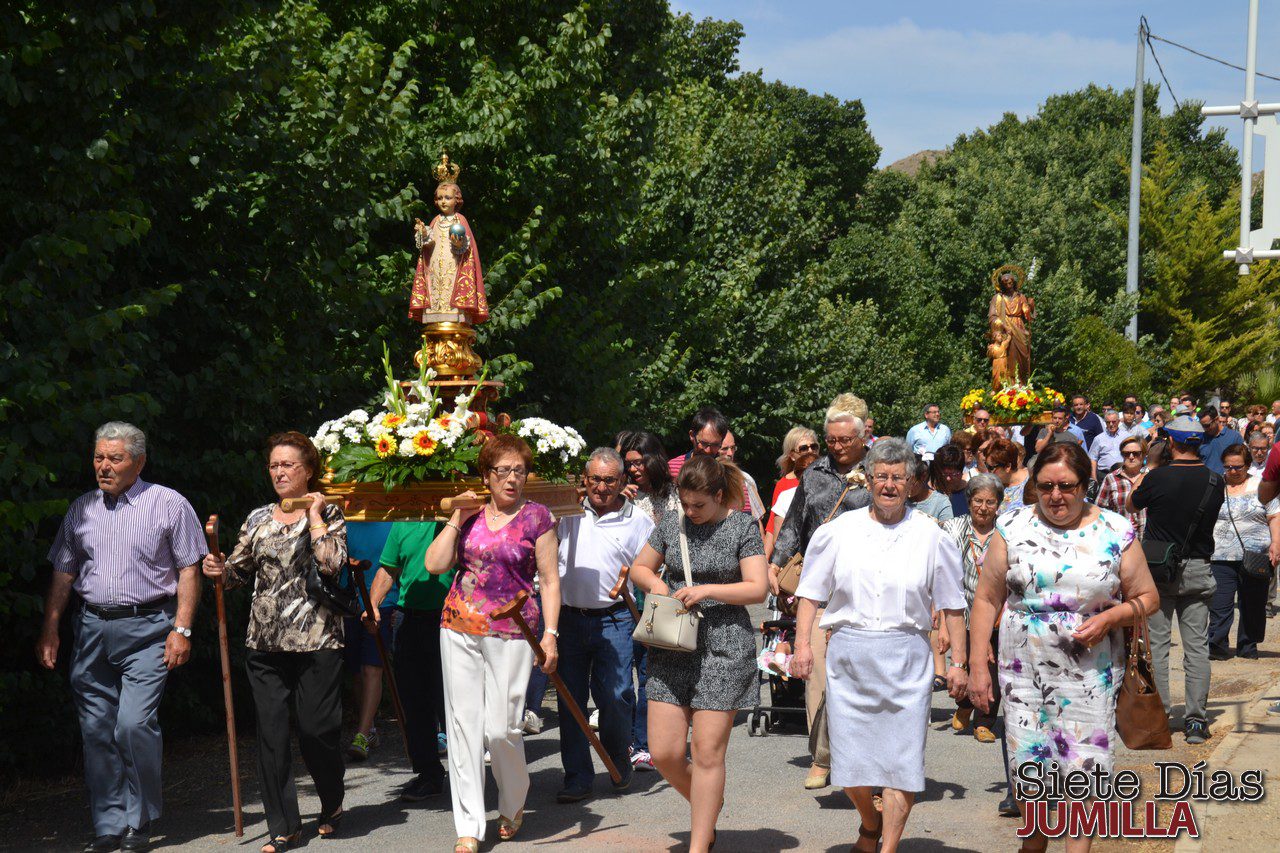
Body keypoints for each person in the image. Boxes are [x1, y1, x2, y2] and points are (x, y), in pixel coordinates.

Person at [968, 442, 1159, 853]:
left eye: (1067, 486)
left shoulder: (1115, 529)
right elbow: (986, 599)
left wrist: (1109, 618)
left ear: (1085, 485)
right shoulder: (1012, 526)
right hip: (1022, 672)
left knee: (1083, 774)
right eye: (1045, 486)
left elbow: (1147, 597)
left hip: (1089, 675)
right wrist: (976, 664)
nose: (1056, 496)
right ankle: (1033, 846)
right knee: (1028, 773)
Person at [792, 438, 968, 853]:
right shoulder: (836, 532)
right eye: (881, 477)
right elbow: (810, 594)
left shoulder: (932, 536)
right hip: (849, 657)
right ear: (867, 480)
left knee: (901, 765)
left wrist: (958, 662)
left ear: (911, 483)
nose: (889, 485)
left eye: (898, 478)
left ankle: (887, 846)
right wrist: (802, 646)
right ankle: (869, 823)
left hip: (907, 657)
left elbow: (953, 605)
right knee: (849, 766)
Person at [41, 423, 204, 853]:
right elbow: (63, 569)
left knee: (133, 725)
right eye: (98, 457)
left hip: (150, 628)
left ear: (139, 461)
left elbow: (190, 568)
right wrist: (51, 627)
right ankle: (108, 824)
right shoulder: (81, 509)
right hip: (91, 628)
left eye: (114, 458)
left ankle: (140, 818)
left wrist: (181, 629)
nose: (103, 466)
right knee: (95, 728)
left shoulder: (168, 504)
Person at [202, 431, 349, 853]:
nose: (279, 472)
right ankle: (283, 826)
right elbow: (236, 574)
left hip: (318, 639)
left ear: (309, 471)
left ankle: (332, 801)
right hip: (264, 644)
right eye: (274, 465)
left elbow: (332, 563)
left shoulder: (331, 512)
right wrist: (219, 569)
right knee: (270, 736)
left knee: (316, 730)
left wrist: (317, 514)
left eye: (288, 465)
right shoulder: (258, 518)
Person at [423, 434, 560, 853]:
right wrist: (455, 517)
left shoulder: (538, 517)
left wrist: (551, 635)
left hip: (514, 630)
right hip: (458, 626)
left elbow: (551, 580)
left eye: (519, 470)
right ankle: (468, 827)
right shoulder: (469, 516)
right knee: (463, 728)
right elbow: (435, 565)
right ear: (487, 475)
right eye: (503, 470)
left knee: (502, 730)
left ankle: (513, 799)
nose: (512, 478)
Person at [628, 454, 769, 853]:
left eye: (699, 505)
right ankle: (708, 804)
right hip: (673, 645)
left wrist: (707, 590)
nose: (690, 512)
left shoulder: (742, 525)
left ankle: (699, 843)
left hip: (724, 648)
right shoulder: (673, 524)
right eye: (685, 503)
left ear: (719, 496)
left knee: (708, 754)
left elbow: (758, 588)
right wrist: (655, 582)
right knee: (665, 753)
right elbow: (639, 567)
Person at [770, 394, 871, 790]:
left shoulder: (879, 472)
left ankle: (861, 759)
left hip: (866, 588)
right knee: (815, 675)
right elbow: (794, 524)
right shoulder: (812, 475)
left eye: (845, 439)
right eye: (831, 439)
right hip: (820, 588)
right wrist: (775, 563)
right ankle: (822, 757)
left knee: (862, 677)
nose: (837, 446)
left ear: (864, 437)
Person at [555, 448, 655, 801]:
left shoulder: (639, 522)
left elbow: (654, 567)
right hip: (567, 618)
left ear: (622, 482)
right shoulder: (564, 512)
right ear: (585, 479)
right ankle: (578, 777)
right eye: (594, 479)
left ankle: (618, 759)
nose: (601, 487)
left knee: (615, 696)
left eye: (609, 480)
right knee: (570, 699)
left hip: (615, 618)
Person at [1128, 415, 1224, 745]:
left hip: (1158, 570)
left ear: (1170, 442)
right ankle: (1196, 720)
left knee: (1156, 648)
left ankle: (1159, 716)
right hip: (1198, 567)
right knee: (1197, 648)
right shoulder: (1215, 480)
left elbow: (1132, 502)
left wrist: (1151, 467)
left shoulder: (1157, 478)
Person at [938, 474, 1019, 818]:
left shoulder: (1008, 532)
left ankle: (985, 718)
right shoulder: (953, 530)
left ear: (998, 505)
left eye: (990, 502)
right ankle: (964, 704)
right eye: (977, 501)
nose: (984, 508)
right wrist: (941, 620)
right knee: (967, 666)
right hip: (962, 609)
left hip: (998, 612)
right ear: (968, 501)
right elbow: (939, 574)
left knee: (996, 667)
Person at [364, 520, 453, 801]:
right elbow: (389, 568)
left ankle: (470, 776)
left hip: (450, 619)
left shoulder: (458, 519)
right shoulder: (403, 523)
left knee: (451, 702)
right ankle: (429, 774)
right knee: (414, 703)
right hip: (409, 619)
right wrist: (373, 605)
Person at [618, 430, 675, 771]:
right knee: (626, 672)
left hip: (663, 590)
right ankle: (627, 740)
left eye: (639, 462)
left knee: (653, 670)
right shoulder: (624, 498)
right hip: (627, 593)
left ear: (654, 459)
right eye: (629, 465)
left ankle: (645, 743)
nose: (634, 470)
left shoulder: (675, 497)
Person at [1207, 444, 1280, 661]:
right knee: (1220, 604)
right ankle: (1217, 646)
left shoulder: (1261, 485)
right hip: (1220, 555)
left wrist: (1276, 542)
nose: (1233, 471)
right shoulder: (1214, 485)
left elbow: (1274, 516)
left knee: (1253, 604)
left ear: (1247, 465)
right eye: (1228, 467)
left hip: (1256, 555)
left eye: (1237, 467)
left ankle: (1248, 646)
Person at [343, 524, 396, 762]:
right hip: (349, 602)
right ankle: (370, 728)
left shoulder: (392, 518)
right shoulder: (342, 519)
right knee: (356, 669)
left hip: (384, 602)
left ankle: (362, 734)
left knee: (371, 668)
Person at [669, 408, 756, 514]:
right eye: (704, 443)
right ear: (692, 435)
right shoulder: (672, 468)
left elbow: (742, 516)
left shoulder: (729, 473)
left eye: (715, 445)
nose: (708, 450)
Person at [765, 427, 820, 562]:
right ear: (791, 455)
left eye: (814, 446)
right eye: (803, 448)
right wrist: (766, 562)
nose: (810, 451)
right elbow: (773, 527)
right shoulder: (783, 486)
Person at [1096, 435, 1149, 539]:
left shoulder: (1152, 477)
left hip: (1149, 541)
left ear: (1143, 455)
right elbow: (1099, 512)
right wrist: (1117, 525)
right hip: (1121, 540)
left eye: (1136, 453)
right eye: (1126, 453)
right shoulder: (1111, 478)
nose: (1131, 457)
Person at [719, 429, 766, 521]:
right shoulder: (704, 478)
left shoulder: (746, 479)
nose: (730, 453)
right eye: (724, 449)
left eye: (733, 448)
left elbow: (757, 520)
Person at [985, 438, 1030, 515]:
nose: (987, 472)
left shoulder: (1033, 482)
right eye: (986, 465)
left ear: (1008, 466)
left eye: (991, 468)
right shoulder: (994, 486)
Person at [1199, 406, 1244, 475]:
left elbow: (1242, 460)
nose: (1205, 429)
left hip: (1227, 481)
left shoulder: (1234, 437)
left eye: (1207, 425)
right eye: (1202, 426)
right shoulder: (1201, 438)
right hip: (1205, 481)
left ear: (1216, 419)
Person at [907, 456, 953, 523]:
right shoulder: (900, 499)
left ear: (923, 477)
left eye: (911, 483)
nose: (907, 487)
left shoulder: (941, 503)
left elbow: (948, 531)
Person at [1087, 409, 1127, 481]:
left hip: (1122, 473)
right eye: (1108, 422)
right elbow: (1093, 459)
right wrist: (1094, 478)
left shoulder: (1127, 436)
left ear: (1118, 421)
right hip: (1103, 475)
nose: (1111, 424)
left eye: (1113, 422)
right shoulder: (1098, 438)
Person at [931, 444, 970, 517]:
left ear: (962, 472)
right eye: (944, 474)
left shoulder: (970, 493)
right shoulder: (928, 492)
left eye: (954, 474)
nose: (948, 478)